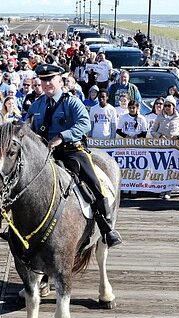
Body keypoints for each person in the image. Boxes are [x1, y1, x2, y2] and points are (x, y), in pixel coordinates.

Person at [25, 63, 122, 248]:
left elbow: (84, 123)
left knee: (93, 183)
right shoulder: (37, 105)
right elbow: (28, 127)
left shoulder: (71, 102)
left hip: (71, 152)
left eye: (50, 79)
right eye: (43, 80)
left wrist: (62, 136)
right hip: (43, 154)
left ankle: (106, 227)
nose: (46, 84)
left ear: (60, 81)